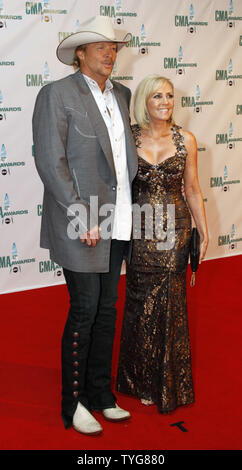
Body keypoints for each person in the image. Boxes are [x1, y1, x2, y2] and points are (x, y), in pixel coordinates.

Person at [32, 16, 138, 435]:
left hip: (120, 217)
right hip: (82, 220)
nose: (110, 53)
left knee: (108, 309)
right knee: (85, 308)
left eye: (114, 47)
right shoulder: (57, 94)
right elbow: (50, 161)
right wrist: (79, 213)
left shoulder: (124, 94)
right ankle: (72, 403)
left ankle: (100, 394)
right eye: (100, 47)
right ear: (80, 54)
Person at [116, 75, 208, 412]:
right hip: (139, 231)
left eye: (169, 95)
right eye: (157, 96)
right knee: (140, 304)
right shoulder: (131, 137)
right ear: (145, 101)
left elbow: (193, 188)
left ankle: (167, 384)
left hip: (176, 231)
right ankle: (139, 379)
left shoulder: (186, 139)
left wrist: (203, 229)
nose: (165, 102)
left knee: (169, 303)